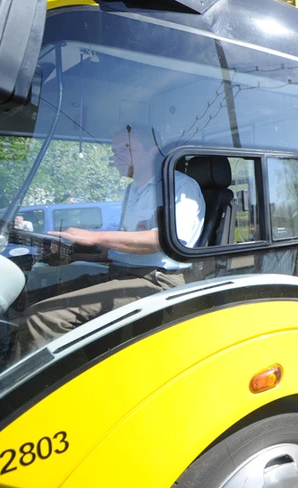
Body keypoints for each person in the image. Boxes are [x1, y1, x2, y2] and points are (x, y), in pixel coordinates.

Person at [14, 125, 205, 357]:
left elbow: (164, 239)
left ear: (154, 151)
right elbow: (123, 247)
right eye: (114, 151)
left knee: (43, 318)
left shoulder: (179, 186)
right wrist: (74, 254)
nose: (117, 157)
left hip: (156, 280)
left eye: (126, 149)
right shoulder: (132, 190)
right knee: (35, 294)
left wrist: (94, 236)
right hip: (122, 272)